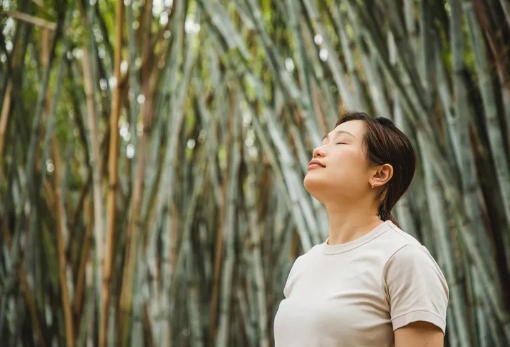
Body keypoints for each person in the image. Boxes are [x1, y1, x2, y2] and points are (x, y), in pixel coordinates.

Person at [273, 112, 449, 347]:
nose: (318, 150)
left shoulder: (404, 259)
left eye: (341, 142)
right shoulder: (303, 265)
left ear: (379, 174)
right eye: (324, 141)